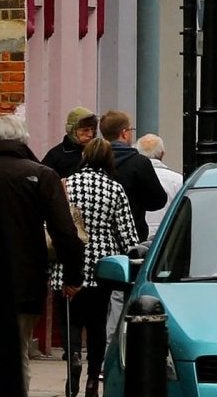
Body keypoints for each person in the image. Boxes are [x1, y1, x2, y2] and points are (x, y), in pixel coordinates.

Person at [0, 114, 84, 396]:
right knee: (18, 351)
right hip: (22, 279)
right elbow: (64, 232)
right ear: (23, 139)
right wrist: (73, 276)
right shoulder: (41, 175)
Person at [53, 137, 136, 397]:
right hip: (102, 266)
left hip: (68, 260)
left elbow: (54, 221)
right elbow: (128, 236)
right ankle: (92, 379)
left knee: (71, 321)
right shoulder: (114, 188)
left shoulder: (66, 185)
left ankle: (74, 355)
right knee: (98, 324)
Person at [98, 111, 165, 242]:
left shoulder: (95, 161)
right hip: (133, 234)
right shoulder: (139, 163)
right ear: (124, 132)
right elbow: (158, 200)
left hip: (101, 238)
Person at [134, 134, 184, 236]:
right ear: (162, 153)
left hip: (138, 233)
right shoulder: (178, 180)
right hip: (167, 236)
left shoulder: (132, 177)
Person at [42, 108, 97, 180]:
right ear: (72, 130)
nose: (90, 134)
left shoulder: (97, 153)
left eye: (92, 129)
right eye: (85, 130)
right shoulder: (55, 156)